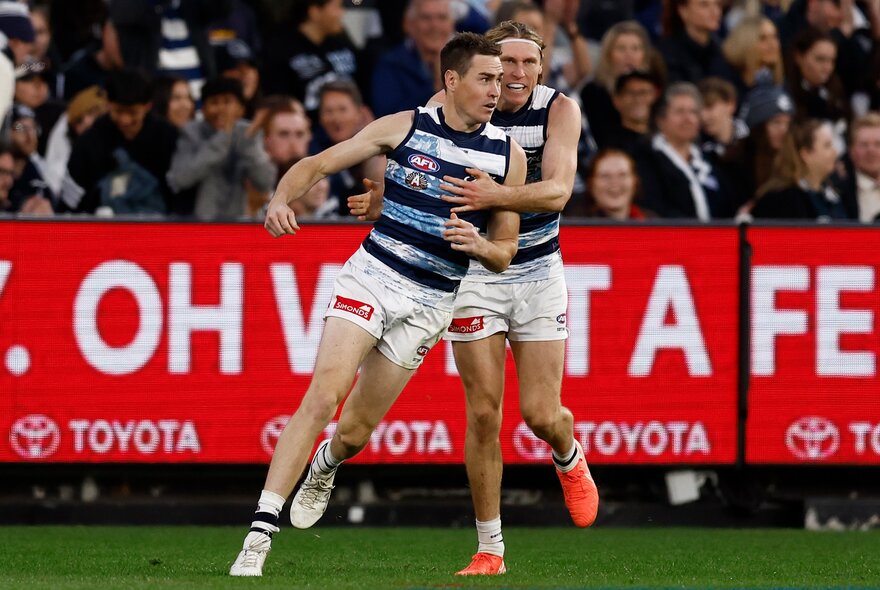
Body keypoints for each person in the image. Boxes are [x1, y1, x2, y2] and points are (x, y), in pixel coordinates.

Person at [303, 20, 598, 577]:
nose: (513, 75)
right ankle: (491, 549)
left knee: (541, 414)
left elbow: (559, 192)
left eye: (527, 63)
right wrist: (386, 201)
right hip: (476, 269)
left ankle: (567, 454)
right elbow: (419, 157)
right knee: (483, 412)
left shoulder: (560, 110)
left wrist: (495, 194)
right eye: (504, 65)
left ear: (542, 68)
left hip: (537, 272)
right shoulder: (455, 100)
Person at [228, 31, 526, 577]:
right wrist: (279, 198)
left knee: (355, 431)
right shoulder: (404, 127)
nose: (497, 88)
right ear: (452, 80)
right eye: (486, 78)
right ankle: (259, 535)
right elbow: (318, 163)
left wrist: (480, 245)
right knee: (324, 395)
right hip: (373, 276)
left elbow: (505, 252)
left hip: (432, 302)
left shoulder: (508, 156)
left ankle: (327, 463)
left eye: (500, 79)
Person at [63, 68, 179, 215]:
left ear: (147, 106)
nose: (125, 120)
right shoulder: (89, 141)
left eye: (133, 113)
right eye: (118, 111)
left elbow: (179, 191)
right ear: (108, 103)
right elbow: (72, 199)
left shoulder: (167, 137)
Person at [167, 77, 275, 220]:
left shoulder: (247, 132)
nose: (221, 109)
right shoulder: (191, 132)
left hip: (238, 221)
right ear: (203, 109)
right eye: (214, 102)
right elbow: (180, 179)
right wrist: (224, 136)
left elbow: (265, 182)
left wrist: (249, 144)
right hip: (196, 221)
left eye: (227, 102)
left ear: (241, 109)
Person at [635, 82, 736, 219]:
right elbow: (654, 207)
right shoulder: (646, 159)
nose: (688, 119)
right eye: (679, 112)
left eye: (693, 112)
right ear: (660, 120)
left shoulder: (709, 159)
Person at [370, 0, 455, 117]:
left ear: (452, 25)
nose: (435, 25)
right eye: (426, 18)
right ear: (408, 24)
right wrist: (437, 86)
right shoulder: (390, 66)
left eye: (442, 18)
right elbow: (389, 116)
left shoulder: (466, 62)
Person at [751, 118, 845, 219]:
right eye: (827, 146)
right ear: (806, 154)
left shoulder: (833, 192)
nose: (835, 152)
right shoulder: (784, 199)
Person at [836, 112, 880, 222]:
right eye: (864, 145)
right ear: (851, 150)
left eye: (878, 144)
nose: (871, 151)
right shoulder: (838, 192)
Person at [585, 149, 653, 219]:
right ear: (591, 183)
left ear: (635, 181)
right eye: (605, 176)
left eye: (622, 175)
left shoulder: (652, 220)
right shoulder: (578, 221)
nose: (614, 182)